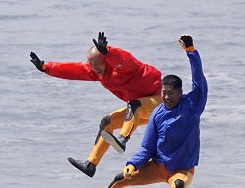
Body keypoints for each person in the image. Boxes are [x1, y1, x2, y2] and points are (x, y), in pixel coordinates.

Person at [79, 35, 207, 188]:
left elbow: (198, 78)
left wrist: (190, 51)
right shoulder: (158, 113)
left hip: (182, 169)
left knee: (178, 186)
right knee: (122, 178)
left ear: (180, 92)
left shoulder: (193, 105)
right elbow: (147, 147)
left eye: (171, 94)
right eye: (164, 93)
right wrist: (133, 164)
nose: (166, 97)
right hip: (157, 166)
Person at [30, 32, 163, 177]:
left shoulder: (125, 67)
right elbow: (73, 70)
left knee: (134, 105)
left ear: (106, 60)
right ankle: (90, 164)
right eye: (91, 64)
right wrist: (46, 68)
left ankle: (123, 139)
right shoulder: (96, 72)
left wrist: (108, 52)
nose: (94, 67)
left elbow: (123, 59)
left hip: (161, 102)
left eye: (97, 63)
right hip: (140, 111)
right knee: (107, 123)